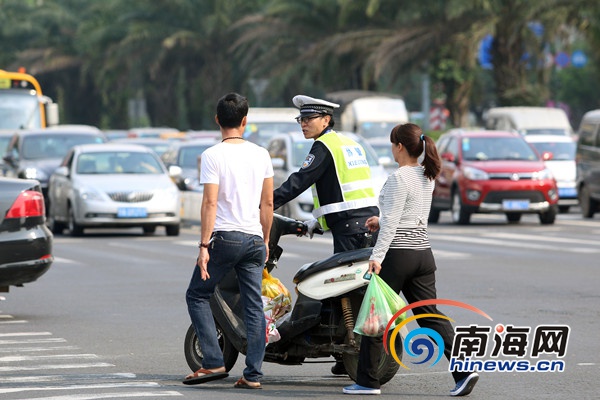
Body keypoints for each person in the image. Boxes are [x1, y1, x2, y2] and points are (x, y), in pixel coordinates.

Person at [342, 123, 479, 396]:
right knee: (430, 315)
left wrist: (376, 257)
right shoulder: (425, 175)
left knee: (376, 315)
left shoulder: (398, 177)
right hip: (422, 255)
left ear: (400, 146)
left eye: (393, 144)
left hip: (398, 255)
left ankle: (367, 382)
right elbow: (408, 214)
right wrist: (380, 220)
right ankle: (464, 371)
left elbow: (393, 223)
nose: (392, 150)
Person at [273, 94, 380, 375]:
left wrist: (265, 203)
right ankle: (344, 357)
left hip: (349, 229)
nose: (303, 124)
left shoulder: (323, 147)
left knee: (338, 288)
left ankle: (345, 354)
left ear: (326, 120)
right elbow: (344, 191)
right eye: (301, 119)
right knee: (353, 291)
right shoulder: (349, 143)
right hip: (364, 224)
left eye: (308, 119)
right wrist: (317, 223)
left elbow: (299, 181)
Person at [184, 93, 274, 390]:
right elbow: (268, 204)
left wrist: (203, 246)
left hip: (225, 238)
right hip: (253, 240)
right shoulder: (261, 153)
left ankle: (212, 360)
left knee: (197, 294)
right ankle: (253, 375)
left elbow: (210, 203)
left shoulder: (213, 155)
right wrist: (266, 239)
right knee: (253, 307)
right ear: (245, 121)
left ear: (217, 120)